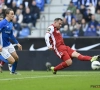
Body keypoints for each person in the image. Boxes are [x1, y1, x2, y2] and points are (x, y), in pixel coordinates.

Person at [0, 8, 22, 74]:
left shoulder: (11, 23)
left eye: (13, 14)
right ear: (7, 14)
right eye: (12, 14)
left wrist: (17, 43)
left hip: (8, 44)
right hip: (2, 46)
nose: (13, 15)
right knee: (12, 61)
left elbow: (11, 35)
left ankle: (13, 71)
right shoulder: (2, 23)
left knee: (16, 58)